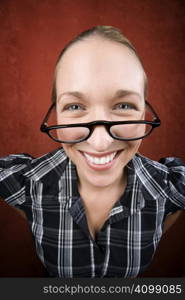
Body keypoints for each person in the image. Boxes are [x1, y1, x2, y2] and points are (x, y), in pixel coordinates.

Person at [0, 26, 184, 278]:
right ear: (57, 114)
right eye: (75, 105)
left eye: (123, 105)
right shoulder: (26, 184)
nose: (100, 142)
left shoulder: (170, 190)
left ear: (143, 115)